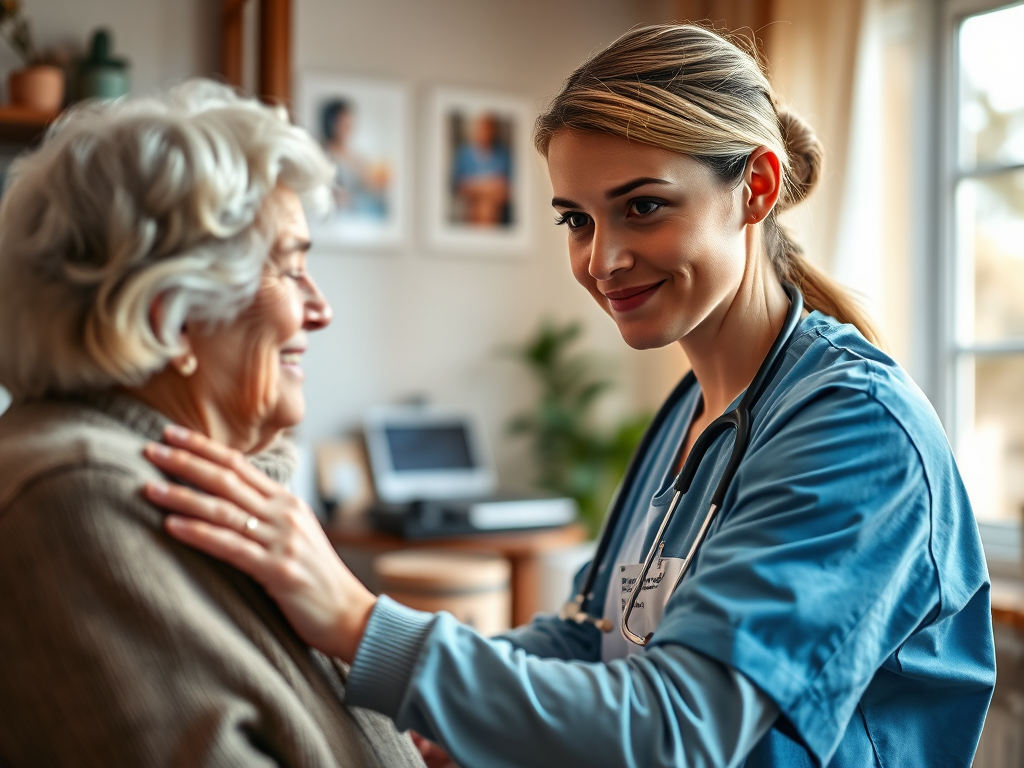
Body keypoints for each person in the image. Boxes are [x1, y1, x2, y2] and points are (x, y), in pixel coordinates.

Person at [142, 26, 996, 768]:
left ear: (757, 189)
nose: (602, 259)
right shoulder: (690, 411)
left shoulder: (856, 434)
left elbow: (683, 730)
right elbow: (589, 638)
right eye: (576, 220)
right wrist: (439, 706)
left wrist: (362, 624)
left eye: (644, 208)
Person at [0, 81, 424, 767]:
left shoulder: (193, 478)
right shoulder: (74, 498)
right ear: (171, 313)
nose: (320, 310)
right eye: (288, 269)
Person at [450, 112, 512, 226]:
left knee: (487, 208)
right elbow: (459, 187)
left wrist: (475, 185)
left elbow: (505, 191)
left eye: (488, 128)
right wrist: (489, 186)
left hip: (495, 206)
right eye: (481, 128)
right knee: (483, 208)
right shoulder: (464, 154)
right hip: (471, 205)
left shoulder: (502, 154)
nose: (484, 132)